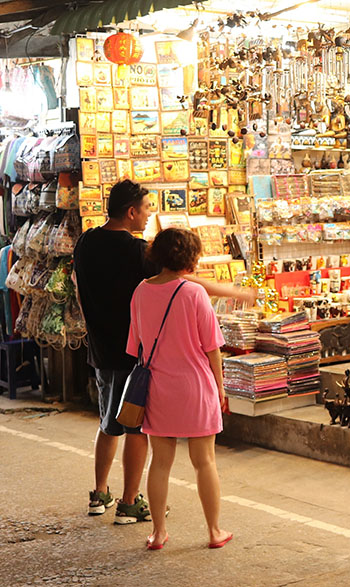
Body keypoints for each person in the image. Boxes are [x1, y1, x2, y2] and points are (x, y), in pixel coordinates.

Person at [74, 179, 253, 523]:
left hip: (100, 348)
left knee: (108, 421)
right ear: (130, 212)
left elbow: (78, 289)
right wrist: (231, 291)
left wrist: (91, 327)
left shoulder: (85, 242)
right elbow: (183, 281)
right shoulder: (135, 250)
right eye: (145, 209)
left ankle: (99, 493)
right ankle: (129, 501)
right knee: (136, 428)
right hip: (134, 356)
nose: (148, 216)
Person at [126, 228, 232, 551]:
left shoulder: (140, 292)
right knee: (205, 462)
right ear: (189, 257)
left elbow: (136, 347)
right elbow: (212, 348)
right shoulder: (194, 293)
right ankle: (214, 531)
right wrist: (221, 388)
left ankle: (158, 533)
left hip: (158, 389)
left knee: (160, 462)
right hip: (196, 388)